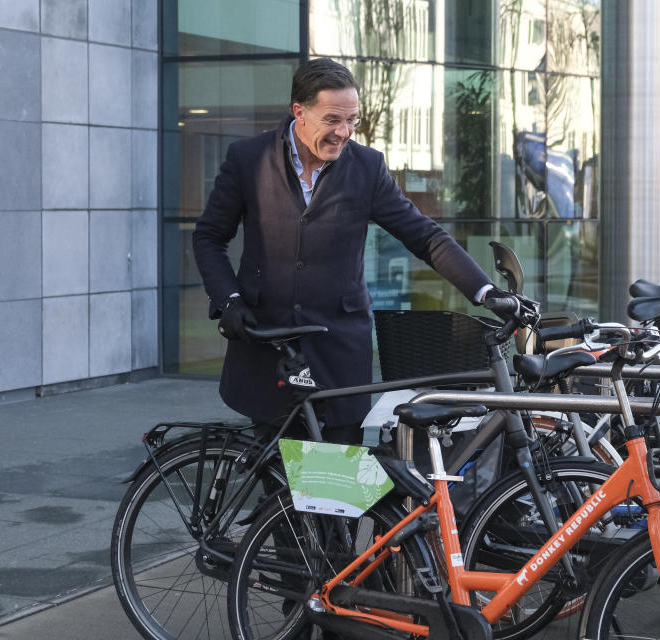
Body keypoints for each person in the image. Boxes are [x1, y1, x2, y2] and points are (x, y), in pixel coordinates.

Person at [192, 58, 494, 443]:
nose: (344, 132)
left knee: (339, 491)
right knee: (277, 488)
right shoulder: (248, 160)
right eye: (333, 119)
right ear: (299, 112)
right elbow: (208, 237)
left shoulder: (367, 168)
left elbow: (425, 236)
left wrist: (485, 291)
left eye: (352, 120)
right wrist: (229, 299)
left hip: (338, 352)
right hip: (266, 344)